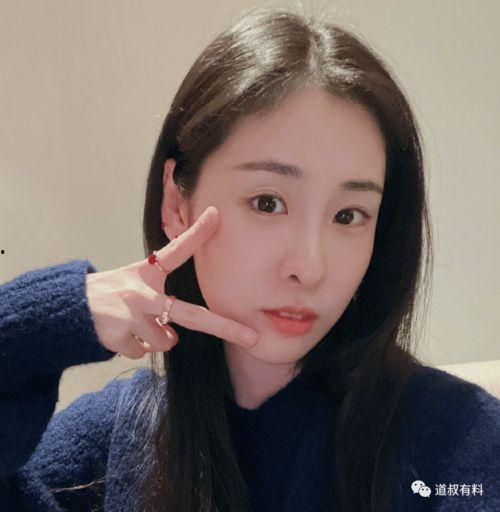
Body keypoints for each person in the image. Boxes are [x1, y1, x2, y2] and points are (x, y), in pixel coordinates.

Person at [1, 5, 499, 512]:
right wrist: (46, 318)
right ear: (176, 204)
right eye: (267, 203)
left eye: (349, 215)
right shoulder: (115, 445)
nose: (309, 268)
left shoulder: (457, 443)